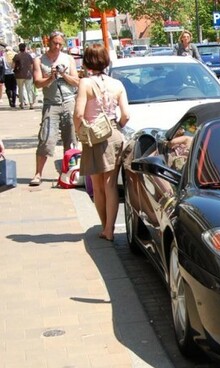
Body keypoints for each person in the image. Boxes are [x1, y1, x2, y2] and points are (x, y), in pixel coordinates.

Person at [74, 43, 130, 242]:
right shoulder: (117, 84)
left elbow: (79, 113)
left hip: (94, 138)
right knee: (111, 185)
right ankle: (110, 228)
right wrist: (117, 127)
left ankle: (105, 227)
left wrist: (78, 130)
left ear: (87, 61)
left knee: (97, 187)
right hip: (114, 134)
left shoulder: (85, 83)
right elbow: (126, 115)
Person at [30, 32, 80, 186]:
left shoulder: (68, 59)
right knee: (46, 138)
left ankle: (69, 174)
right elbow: (37, 83)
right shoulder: (39, 60)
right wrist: (51, 77)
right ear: (48, 42)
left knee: (71, 139)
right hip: (51, 103)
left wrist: (63, 74)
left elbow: (76, 81)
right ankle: (38, 174)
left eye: (60, 44)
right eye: (54, 43)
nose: (57, 46)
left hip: (69, 101)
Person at [13, 43, 35, 109]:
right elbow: (32, 65)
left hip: (19, 75)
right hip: (28, 75)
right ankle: (31, 104)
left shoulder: (16, 56)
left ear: (19, 48)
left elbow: (13, 65)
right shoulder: (29, 56)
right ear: (25, 48)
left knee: (20, 89)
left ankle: (22, 104)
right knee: (29, 89)